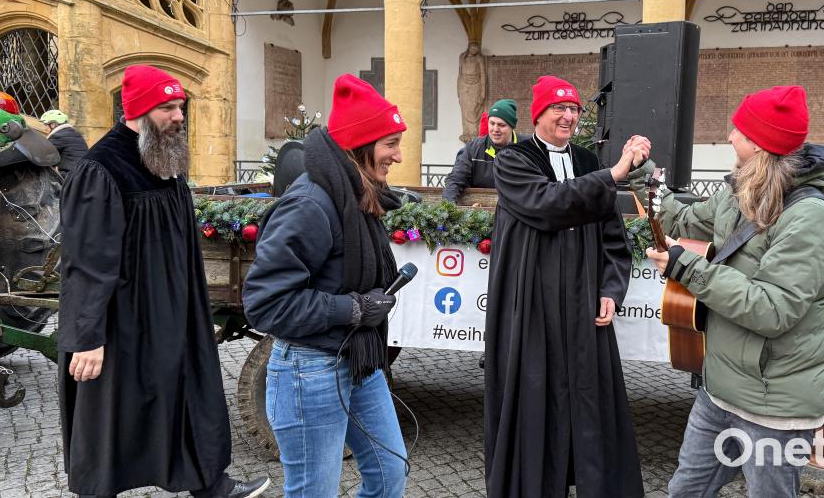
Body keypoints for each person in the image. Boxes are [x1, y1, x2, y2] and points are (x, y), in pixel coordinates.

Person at [57, 65, 270, 498]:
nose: (179, 116)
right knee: (108, 410)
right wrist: (87, 337)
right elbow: (87, 260)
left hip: (173, 311)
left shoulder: (162, 158)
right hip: (122, 320)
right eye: (168, 107)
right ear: (137, 111)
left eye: (180, 106)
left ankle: (209, 484)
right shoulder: (102, 169)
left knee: (188, 390)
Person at [636, 85, 824, 498]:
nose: (730, 136)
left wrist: (685, 266)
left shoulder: (811, 218)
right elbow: (685, 219)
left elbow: (771, 309)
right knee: (685, 492)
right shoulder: (739, 191)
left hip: (775, 408)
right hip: (720, 392)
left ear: (760, 145)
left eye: (738, 131)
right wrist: (643, 173)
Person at [242, 74, 408, 498]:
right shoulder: (312, 203)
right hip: (308, 371)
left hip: (356, 360)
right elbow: (264, 303)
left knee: (390, 476)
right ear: (362, 144)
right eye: (390, 143)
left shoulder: (354, 194)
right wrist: (352, 309)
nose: (398, 155)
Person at [484, 75, 649, 498]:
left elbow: (614, 238)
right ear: (538, 114)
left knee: (589, 403)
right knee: (537, 398)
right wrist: (615, 172)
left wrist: (611, 290)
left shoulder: (588, 161)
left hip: (583, 311)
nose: (568, 116)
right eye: (558, 108)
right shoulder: (514, 160)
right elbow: (548, 203)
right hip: (534, 309)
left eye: (574, 108)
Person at [442, 99, 530, 203]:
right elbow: (455, 180)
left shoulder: (528, 148)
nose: (495, 129)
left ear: (512, 126)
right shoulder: (472, 149)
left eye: (501, 125)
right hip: (480, 210)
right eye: (492, 123)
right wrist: (448, 208)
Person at [39, 109, 88, 178]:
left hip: (70, 175)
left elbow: (45, 155)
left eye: (45, 125)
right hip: (80, 173)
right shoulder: (72, 133)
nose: (45, 129)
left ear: (53, 124)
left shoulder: (58, 136)